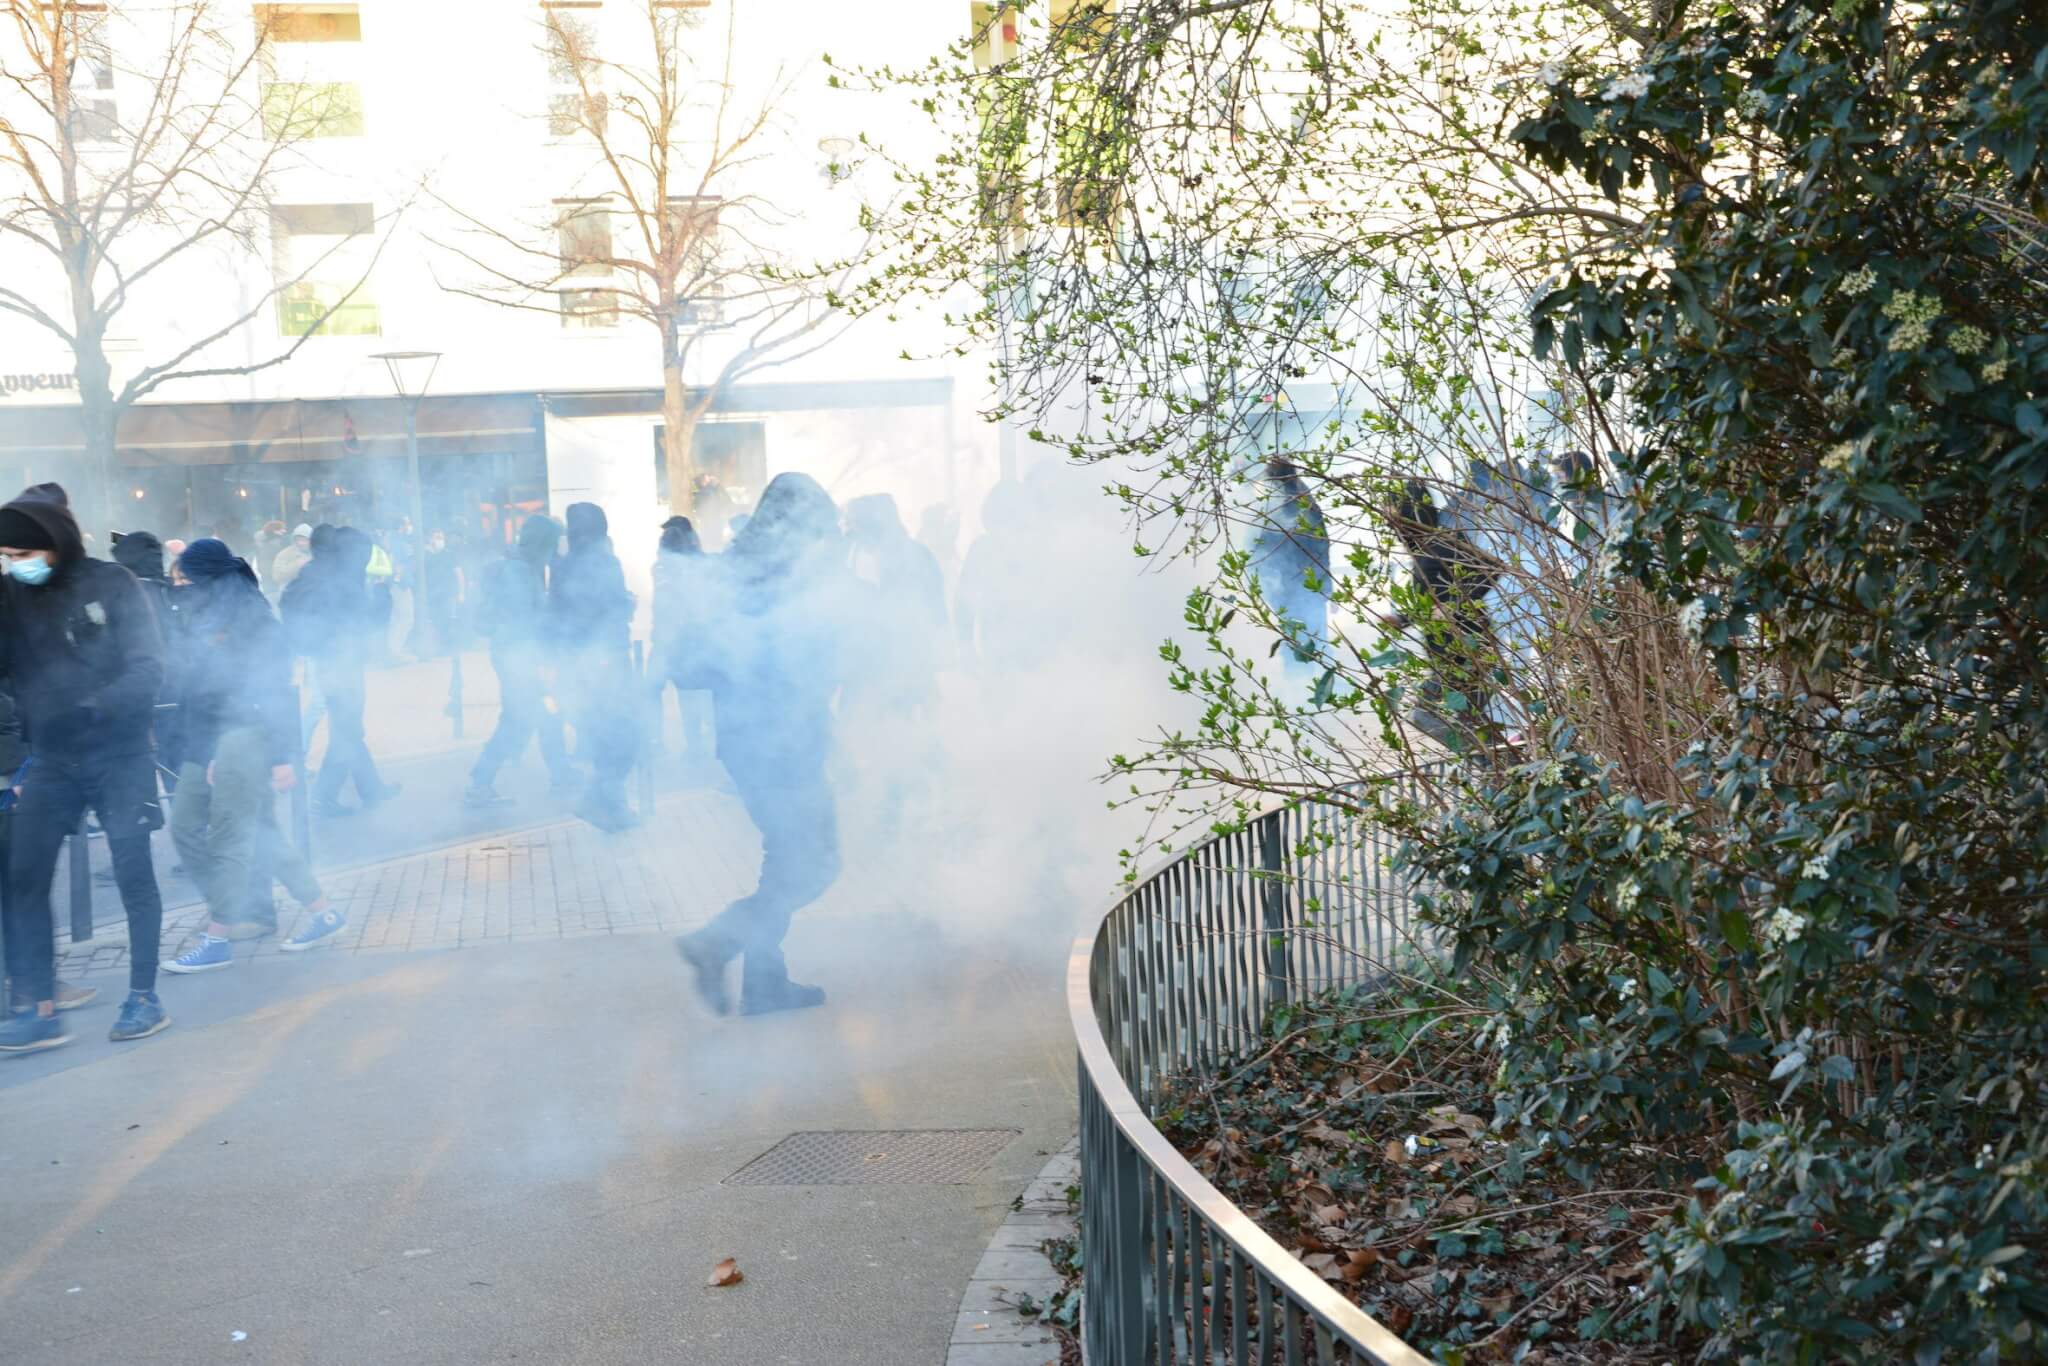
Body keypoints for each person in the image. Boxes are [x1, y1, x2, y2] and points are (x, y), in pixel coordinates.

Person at [0, 487, 171, 1052]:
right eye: (4, 556)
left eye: (21, 555)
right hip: (52, 758)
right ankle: (40, 1008)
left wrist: (97, 705)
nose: (12, 565)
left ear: (53, 546)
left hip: (119, 753)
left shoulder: (112, 583)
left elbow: (150, 668)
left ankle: (143, 996)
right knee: (23, 876)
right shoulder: (10, 597)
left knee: (132, 871)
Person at [676, 473, 848, 1017]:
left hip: (755, 738)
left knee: (790, 857)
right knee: (814, 862)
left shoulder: (735, 569)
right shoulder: (779, 577)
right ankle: (719, 941)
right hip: (778, 740)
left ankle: (762, 983)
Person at [162, 541, 342, 973]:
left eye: (186, 579)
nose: (180, 587)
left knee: (232, 834)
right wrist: (203, 750)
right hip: (206, 737)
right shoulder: (201, 615)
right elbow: (198, 689)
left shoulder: (255, 620)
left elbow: (275, 691)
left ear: (209, 578)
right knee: (212, 826)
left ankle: (219, 936)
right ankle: (324, 913)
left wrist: (283, 756)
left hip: (246, 733)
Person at [1382, 477, 1508, 751]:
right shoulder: (1422, 548)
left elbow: (1494, 568)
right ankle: (1497, 769)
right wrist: (1403, 620)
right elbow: (1433, 601)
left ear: (1410, 510)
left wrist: (1454, 604)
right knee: (1454, 719)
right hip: (1447, 652)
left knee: (1431, 713)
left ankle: (1498, 769)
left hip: (1469, 649)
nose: (1389, 523)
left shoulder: (1442, 542)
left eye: (1392, 512)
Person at [284, 525, 399, 818]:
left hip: (328, 661)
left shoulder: (316, 572)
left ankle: (371, 789)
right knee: (347, 731)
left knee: (347, 728)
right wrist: (383, 593)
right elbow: (367, 623)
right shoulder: (341, 579)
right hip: (341, 664)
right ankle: (323, 796)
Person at [465, 514, 575, 806]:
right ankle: (480, 783)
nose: (555, 552)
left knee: (544, 713)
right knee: (519, 719)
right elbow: (523, 620)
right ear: (543, 544)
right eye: (552, 545)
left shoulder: (523, 567)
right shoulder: (519, 572)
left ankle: (561, 774)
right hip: (518, 655)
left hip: (518, 653)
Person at [549, 503, 638, 831]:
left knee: (603, 735)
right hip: (607, 658)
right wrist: (628, 604)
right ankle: (602, 801)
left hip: (575, 660)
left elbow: (557, 613)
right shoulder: (604, 562)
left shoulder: (562, 565)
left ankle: (611, 807)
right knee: (624, 735)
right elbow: (612, 608)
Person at [1246, 458, 1332, 694]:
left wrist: (1326, 586)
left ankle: (1311, 691)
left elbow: (1320, 543)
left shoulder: (1295, 499)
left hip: (1302, 583)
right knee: (1303, 637)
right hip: (1294, 584)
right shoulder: (1284, 497)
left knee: (1307, 637)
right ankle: (1306, 690)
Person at [650, 515, 715, 762]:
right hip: (682, 639)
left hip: (680, 639)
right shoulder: (694, 564)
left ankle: (695, 745)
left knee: (689, 693)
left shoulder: (670, 568)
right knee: (689, 692)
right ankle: (694, 744)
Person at [270, 523, 314, 594]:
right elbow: (276, 576)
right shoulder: (285, 554)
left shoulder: (317, 552)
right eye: (299, 540)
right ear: (294, 540)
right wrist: (296, 565)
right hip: (291, 594)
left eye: (305, 540)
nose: (301, 543)